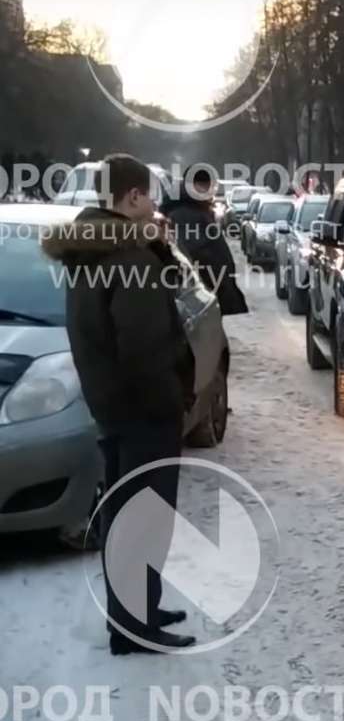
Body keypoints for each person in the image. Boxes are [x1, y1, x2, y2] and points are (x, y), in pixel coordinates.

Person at [42, 153, 197, 655]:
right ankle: (133, 626)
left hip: (112, 406)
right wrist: (170, 403)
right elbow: (144, 347)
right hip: (143, 413)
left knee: (125, 510)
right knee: (144, 517)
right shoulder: (128, 258)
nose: (154, 204)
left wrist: (157, 247)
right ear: (132, 196)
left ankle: (136, 609)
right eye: (149, 195)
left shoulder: (95, 247)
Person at [160, 168, 249, 316]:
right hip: (203, 296)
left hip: (207, 293)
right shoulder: (185, 214)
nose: (212, 192)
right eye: (208, 187)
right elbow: (193, 255)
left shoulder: (194, 208)